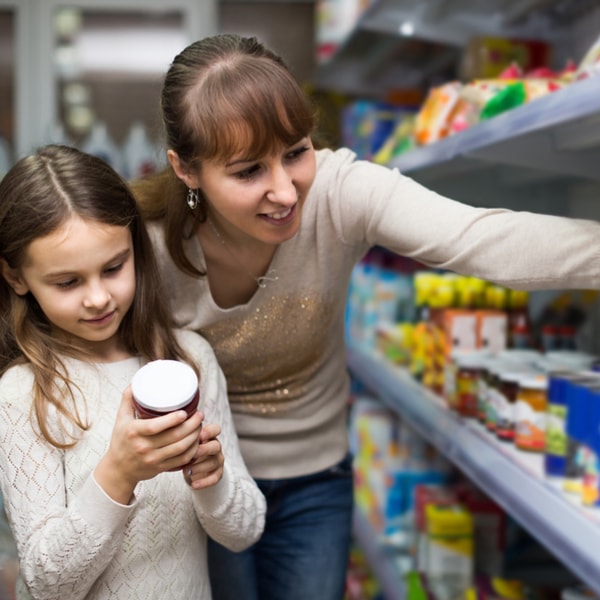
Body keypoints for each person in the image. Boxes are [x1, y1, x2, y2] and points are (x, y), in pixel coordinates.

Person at [131, 33, 600, 600]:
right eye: (249, 170)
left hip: (316, 480)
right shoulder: (148, 247)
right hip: (200, 483)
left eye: (296, 151)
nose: (284, 191)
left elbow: (481, 238)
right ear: (186, 170)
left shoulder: (338, 191)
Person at [0, 144, 266, 600]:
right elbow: (47, 584)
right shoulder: (24, 393)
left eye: (114, 267)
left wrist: (212, 482)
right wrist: (118, 474)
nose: (99, 297)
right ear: (17, 277)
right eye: (68, 282)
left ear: (136, 251)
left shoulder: (190, 361)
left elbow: (245, 530)